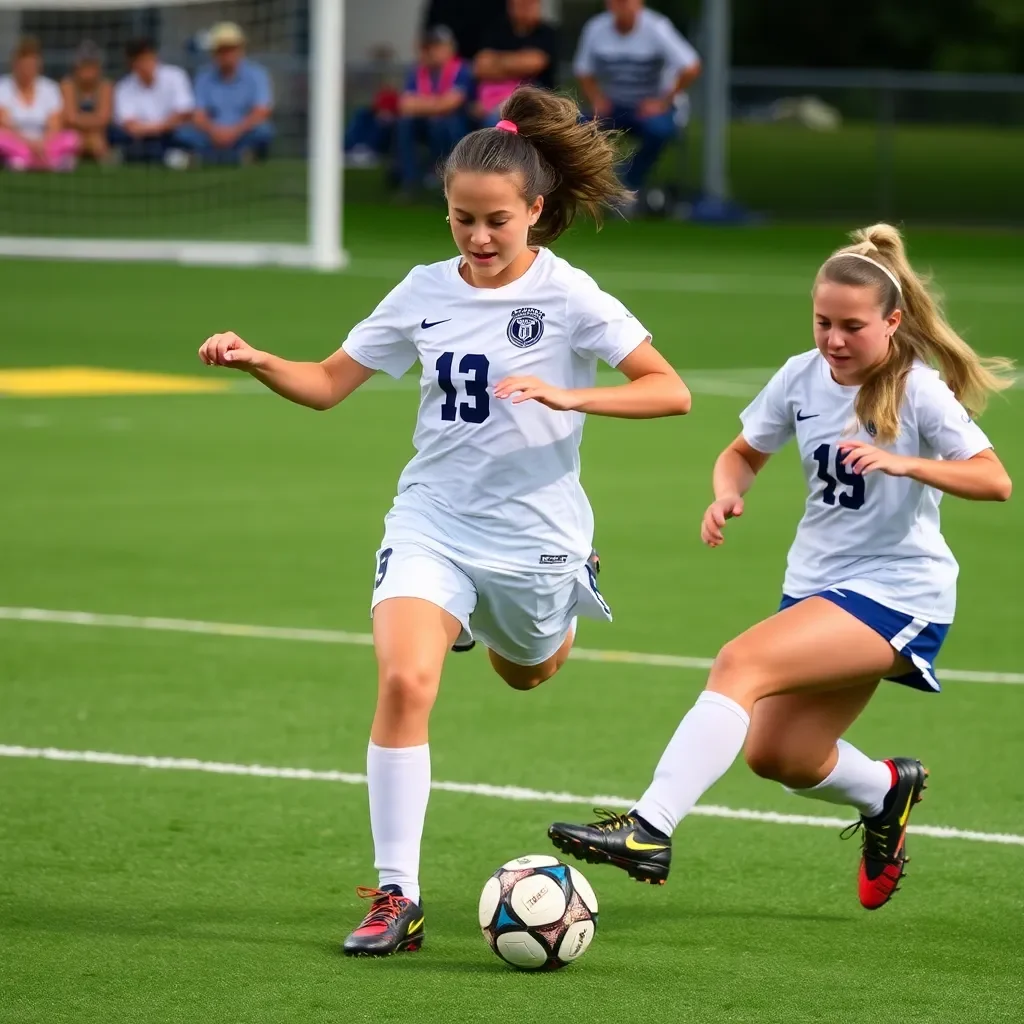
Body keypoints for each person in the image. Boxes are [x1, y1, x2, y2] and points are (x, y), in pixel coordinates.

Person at [198, 86, 691, 956]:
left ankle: (570, 586)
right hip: (432, 521)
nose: (479, 238)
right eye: (463, 219)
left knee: (528, 675)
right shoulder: (424, 291)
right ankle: (398, 896)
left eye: (498, 220)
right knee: (403, 683)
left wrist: (568, 391)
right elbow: (326, 384)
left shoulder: (571, 294)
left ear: (536, 210)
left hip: (536, 538)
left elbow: (670, 390)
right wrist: (257, 359)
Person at [549, 223, 1014, 911]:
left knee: (739, 663)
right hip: (817, 587)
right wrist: (728, 492)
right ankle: (888, 790)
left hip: (896, 590)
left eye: (852, 326)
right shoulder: (801, 375)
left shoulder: (917, 390)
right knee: (781, 755)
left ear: (892, 321)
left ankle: (650, 828)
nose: (833, 340)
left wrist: (907, 462)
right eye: (823, 322)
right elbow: (741, 452)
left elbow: (994, 478)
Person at [574, 0, 700, 195]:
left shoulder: (657, 27)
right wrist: (597, 99)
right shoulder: (595, 28)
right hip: (614, 106)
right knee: (574, 127)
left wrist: (663, 102)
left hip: (649, 110)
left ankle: (628, 184)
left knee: (658, 131)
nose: (622, 6)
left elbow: (691, 66)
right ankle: (589, 184)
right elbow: (583, 71)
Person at [178, 22, 273, 165]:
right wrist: (215, 131)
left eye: (231, 49)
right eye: (222, 50)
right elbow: (198, 115)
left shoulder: (257, 74)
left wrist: (235, 131)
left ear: (241, 50)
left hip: (243, 132)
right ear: (214, 53)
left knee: (264, 131)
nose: (227, 55)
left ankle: (208, 158)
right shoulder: (204, 76)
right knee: (184, 133)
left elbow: (261, 111)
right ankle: (237, 158)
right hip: (212, 134)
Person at [394, 26, 472, 198]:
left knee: (444, 125)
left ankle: (445, 178)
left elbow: (452, 103)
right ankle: (410, 181)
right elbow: (405, 104)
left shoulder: (462, 69)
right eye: (429, 47)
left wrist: (424, 104)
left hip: (455, 123)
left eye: (438, 46)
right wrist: (436, 104)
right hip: (425, 121)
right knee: (405, 123)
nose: (432, 52)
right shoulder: (418, 71)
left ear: (450, 48)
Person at [472, 0, 559, 127]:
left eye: (531, 4)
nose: (527, 8)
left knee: (498, 120)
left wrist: (496, 62)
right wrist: (519, 63)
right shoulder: (496, 30)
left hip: (536, 98)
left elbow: (535, 63)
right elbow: (480, 67)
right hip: (494, 98)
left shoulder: (547, 33)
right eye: (521, 5)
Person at [0, 37, 79, 171]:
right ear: (15, 65)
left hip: (45, 142)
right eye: (24, 66)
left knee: (73, 138)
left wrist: (42, 143)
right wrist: (29, 143)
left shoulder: (50, 88)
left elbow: (55, 124)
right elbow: (4, 124)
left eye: (31, 66)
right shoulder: (3, 87)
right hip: (16, 140)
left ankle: (25, 162)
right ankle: (50, 162)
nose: (27, 71)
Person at [111, 38, 194, 166]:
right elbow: (130, 125)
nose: (145, 64)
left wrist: (159, 127)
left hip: (171, 133)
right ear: (132, 64)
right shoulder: (124, 87)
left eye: (147, 58)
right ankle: (169, 157)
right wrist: (156, 128)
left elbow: (182, 113)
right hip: (142, 137)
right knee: (118, 135)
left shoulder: (176, 75)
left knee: (188, 134)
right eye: (139, 61)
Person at [61, 40, 113, 164]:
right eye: (85, 66)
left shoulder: (105, 86)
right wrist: (92, 121)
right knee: (75, 139)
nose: (88, 72)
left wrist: (80, 120)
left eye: (91, 66)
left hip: (98, 138)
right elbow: (69, 118)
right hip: (74, 136)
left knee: (97, 141)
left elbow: (104, 119)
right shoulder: (68, 85)